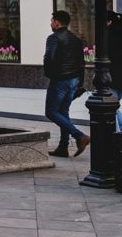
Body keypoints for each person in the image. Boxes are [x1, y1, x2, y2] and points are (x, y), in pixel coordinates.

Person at [44, 10, 90, 157]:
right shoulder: (76, 40)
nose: (50, 23)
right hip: (74, 80)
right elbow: (81, 63)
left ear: (57, 22)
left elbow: (49, 59)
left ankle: (80, 136)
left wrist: (51, 76)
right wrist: (79, 84)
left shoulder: (53, 38)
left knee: (51, 112)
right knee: (63, 112)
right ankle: (63, 147)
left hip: (60, 80)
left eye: (52, 20)